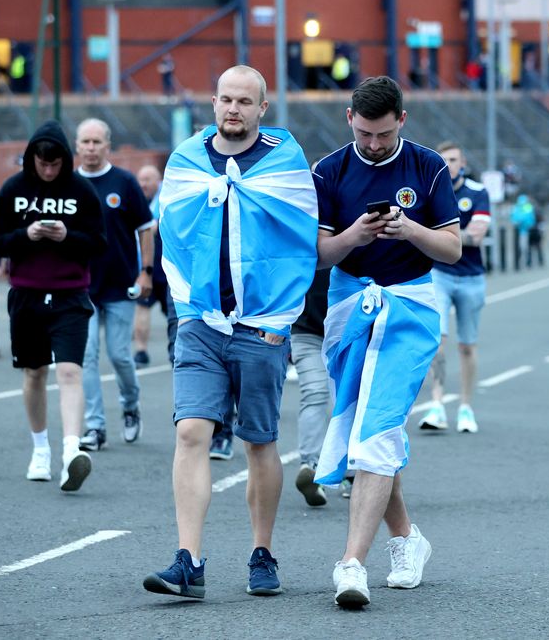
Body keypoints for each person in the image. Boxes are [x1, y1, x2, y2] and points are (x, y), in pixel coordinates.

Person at [142, 65, 317, 598]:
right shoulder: (187, 161)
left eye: (245, 100)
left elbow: (301, 243)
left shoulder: (285, 163)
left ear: (263, 108)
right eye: (225, 99)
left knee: (258, 442)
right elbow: (171, 234)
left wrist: (278, 322)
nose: (233, 109)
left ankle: (262, 552)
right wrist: (184, 306)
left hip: (261, 326)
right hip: (199, 322)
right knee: (191, 432)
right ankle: (188, 560)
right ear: (212, 103)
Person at [312, 75, 460, 608]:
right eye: (364, 133)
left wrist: (409, 230)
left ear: (402, 119)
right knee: (363, 428)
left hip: (409, 309)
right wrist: (356, 234)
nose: (373, 144)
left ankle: (351, 564)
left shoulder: (428, 166)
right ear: (349, 119)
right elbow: (321, 255)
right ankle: (406, 539)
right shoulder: (328, 171)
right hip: (350, 306)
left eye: (382, 134)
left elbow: (451, 248)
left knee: (377, 431)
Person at [0, 120, 107, 491]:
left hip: (71, 294)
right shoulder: (14, 189)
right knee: (34, 373)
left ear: (65, 160)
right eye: (43, 164)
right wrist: (28, 234)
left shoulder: (81, 190)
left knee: (70, 371)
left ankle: (72, 451)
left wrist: (67, 235)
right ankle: (40, 449)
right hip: (26, 294)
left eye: (55, 164)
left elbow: (98, 243)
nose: (50, 171)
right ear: (32, 159)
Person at [75, 119, 155, 451]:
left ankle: (130, 406)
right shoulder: (68, 184)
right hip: (80, 286)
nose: (91, 148)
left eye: (97, 142)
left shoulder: (124, 182)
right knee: (87, 356)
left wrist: (146, 271)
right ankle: (95, 426)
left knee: (120, 355)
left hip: (120, 285)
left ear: (108, 145)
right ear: (77, 146)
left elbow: (146, 228)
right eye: (85, 142)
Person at [418, 140, 491, 433]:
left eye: (453, 159)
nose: (448, 164)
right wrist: (443, 236)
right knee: (437, 341)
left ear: (462, 163)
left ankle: (465, 406)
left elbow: (476, 235)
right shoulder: (430, 191)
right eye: (443, 159)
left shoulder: (477, 192)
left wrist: (441, 235)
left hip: (472, 276)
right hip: (439, 274)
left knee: (467, 345)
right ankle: (437, 404)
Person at [291, 268, 334, 506]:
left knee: (324, 396)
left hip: (348, 327)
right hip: (310, 329)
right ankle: (315, 468)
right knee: (323, 394)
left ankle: (317, 465)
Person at [131, 165, 169, 368]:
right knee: (142, 307)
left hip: (167, 269)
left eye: (148, 179)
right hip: (146, 268)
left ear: (158, 181)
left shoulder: (166, 197)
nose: (143, 184)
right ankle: (140, 351)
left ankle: (179, 349)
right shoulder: (136, 200)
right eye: (141, 180)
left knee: (174, 313)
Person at [510, 194, 536, 268]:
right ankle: (521, 262)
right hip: (519, 231)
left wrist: (521, 222)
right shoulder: (517, 207)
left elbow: (530, 219)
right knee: (521, 247)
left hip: (525, 231)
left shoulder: (526, 207)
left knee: (524, 247)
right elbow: (513, 217)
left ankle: (527, 262)